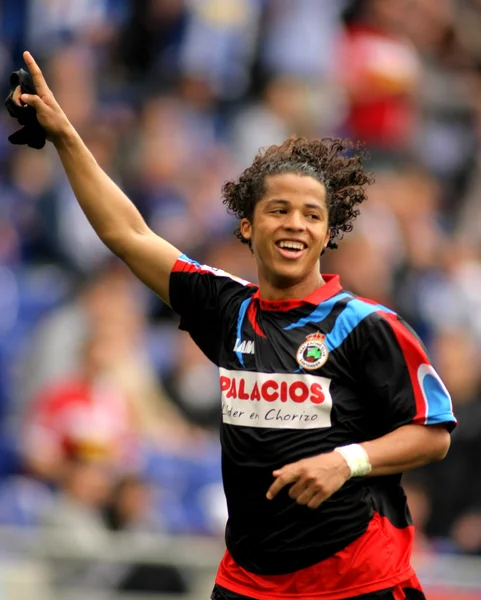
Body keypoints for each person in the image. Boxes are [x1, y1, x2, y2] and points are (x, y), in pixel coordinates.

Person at [11, 51, 456, 600]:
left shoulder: (368, 325)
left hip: (356, 580)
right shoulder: (228, 309)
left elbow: (432, 434)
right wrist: (64, 136)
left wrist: (348, 461)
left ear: (327, 234)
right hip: (249, 584)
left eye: (312, 215)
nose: (295, 223)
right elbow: (127, 233)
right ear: (247, 226)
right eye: (279, 209)